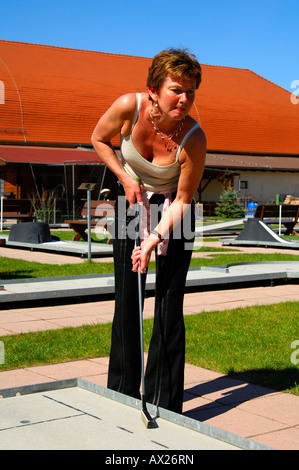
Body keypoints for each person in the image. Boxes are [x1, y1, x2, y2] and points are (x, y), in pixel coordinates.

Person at [91, 48, 206, 414]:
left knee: (169, 303)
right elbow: (98, 138)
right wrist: (125, 176)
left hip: (177, 210)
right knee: (128, 298)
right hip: (133, 199)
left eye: (190, 91)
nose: (184, 99)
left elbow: (185, 200)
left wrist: (155, 237)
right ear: (153, 90)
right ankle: (122, 392)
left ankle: (165, 401)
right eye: (176, 89)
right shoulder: (129, 106)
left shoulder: (195, 139)